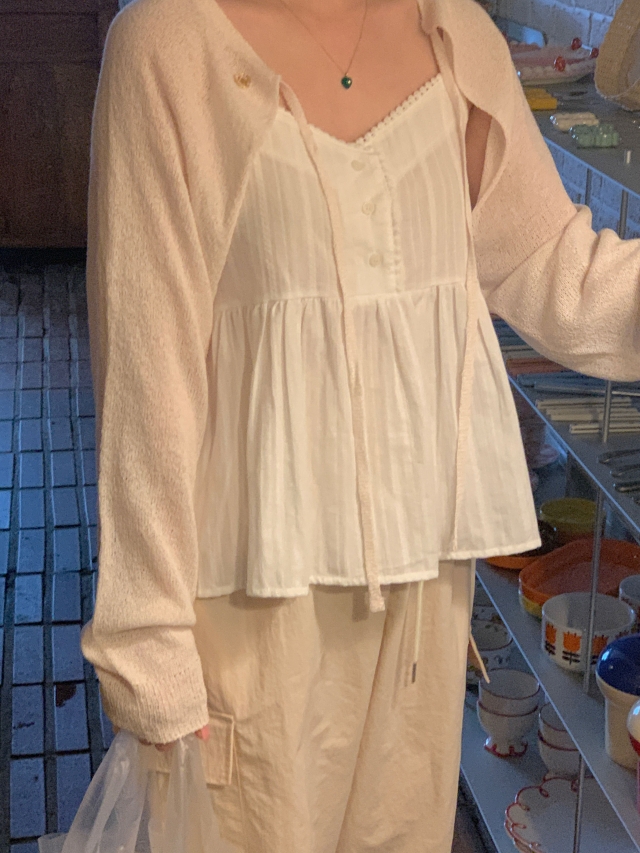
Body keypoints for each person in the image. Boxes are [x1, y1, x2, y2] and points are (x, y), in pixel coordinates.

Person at [80, 0, 640, 850]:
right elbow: (145, 374)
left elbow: (551, 268)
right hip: (249, 619)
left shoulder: (457, 39)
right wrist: (146, 649)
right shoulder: (169, 44)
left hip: (419, 619)